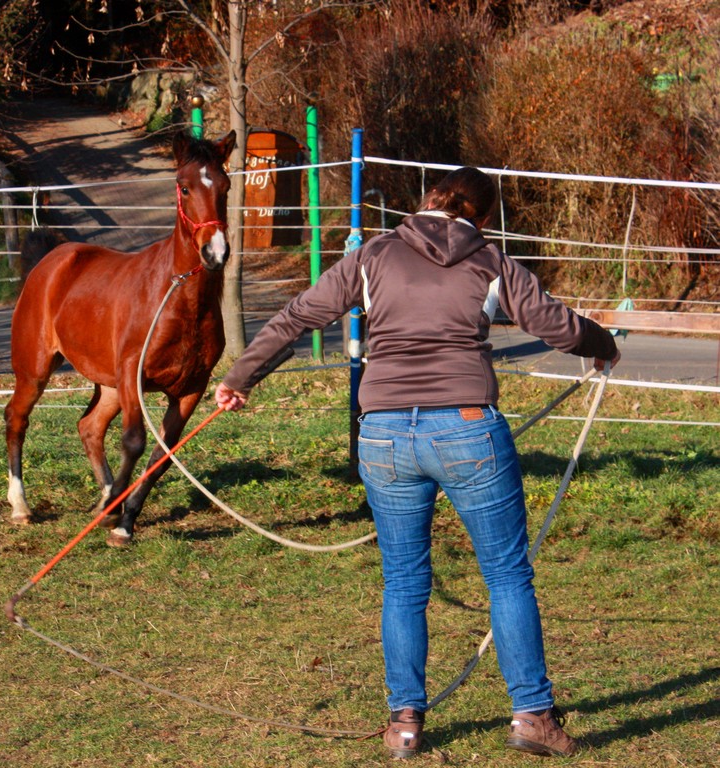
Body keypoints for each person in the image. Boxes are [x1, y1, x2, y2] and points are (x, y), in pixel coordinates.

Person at [215, 167, 620, 759]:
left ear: (427, 200)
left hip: (381, 435)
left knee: (404, 582)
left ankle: (405, 722)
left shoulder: (373, 256)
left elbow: (299, 315)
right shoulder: (490, 262)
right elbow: (556, 326)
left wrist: (240, 377)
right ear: (480, 216)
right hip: (466, 429)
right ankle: (532, 716)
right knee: (506, 575)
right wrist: (604, 344)